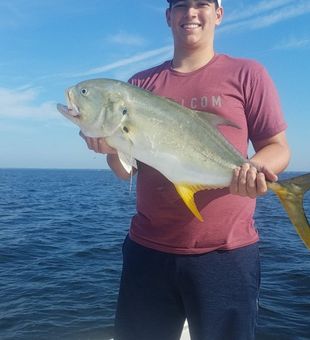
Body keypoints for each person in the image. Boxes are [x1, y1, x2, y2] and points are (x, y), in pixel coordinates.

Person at [81, 0, 291, 339]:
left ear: (218, 13)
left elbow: (278, 147)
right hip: (148, 251)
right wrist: (108, 146)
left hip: (226, 255)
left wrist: (255, 170)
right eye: (180, 4)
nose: (190, 12)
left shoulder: (248, 73)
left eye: (202, 3)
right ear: (168, 16)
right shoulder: (140, 85)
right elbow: (125, 172)